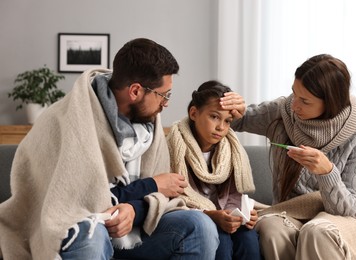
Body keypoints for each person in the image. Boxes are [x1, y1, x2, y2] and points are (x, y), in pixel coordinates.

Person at [0, 38, 219, 260]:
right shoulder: (64, 121)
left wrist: (135, 210)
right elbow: (74, 205)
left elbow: (162, 198)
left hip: (135, 233)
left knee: (199, 225)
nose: (166, 104)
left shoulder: (150, 126)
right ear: (135, 91)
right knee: (90, 236)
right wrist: (151, 185)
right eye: (164, 95)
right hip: (84, 230)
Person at [220, 54, 356, 259]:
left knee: (316, 231)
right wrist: (232, 102)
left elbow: (348, 210)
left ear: (330, 103)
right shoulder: (282, 112)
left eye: (305, 101)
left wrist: (327, 172)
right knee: (270, 229)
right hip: (289, 211)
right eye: (294, 94)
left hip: (339, 215)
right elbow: (239, 120)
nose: (294, 105)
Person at [166, 80, 262, 260]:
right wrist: (210, 215)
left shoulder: (230, 151)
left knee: (248, 236)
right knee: (222, 240)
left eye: (227, 121)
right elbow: (170, 201)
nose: (221, 127)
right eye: (214, 117)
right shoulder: (172, 147)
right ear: (194, 113)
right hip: (195, 218)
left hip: (223, 216)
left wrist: (242, 214)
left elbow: (234, 194)